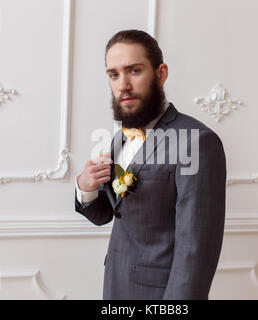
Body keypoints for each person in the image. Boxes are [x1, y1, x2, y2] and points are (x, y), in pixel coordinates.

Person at [75, 30, 226, 300]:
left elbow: (196, 251)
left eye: (134, 70)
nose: (123, 85)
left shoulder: (198, 142)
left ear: (161, 73)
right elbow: (109, 214)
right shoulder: (120, 136)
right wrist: (85, 187)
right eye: (114, 74)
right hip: (116, 285)